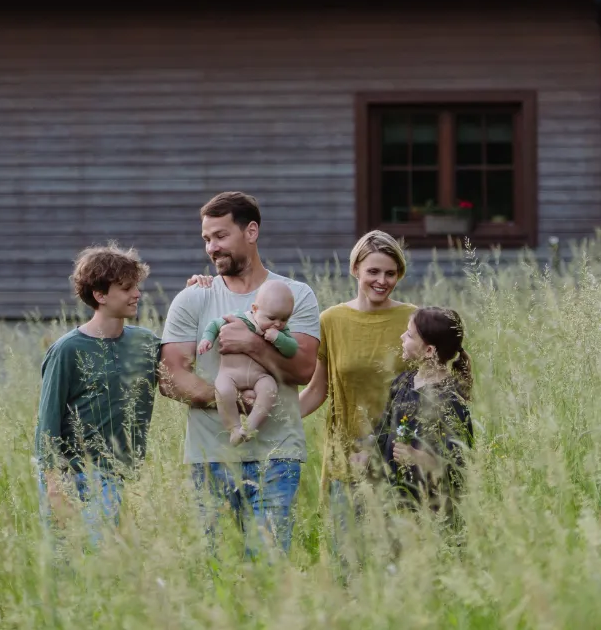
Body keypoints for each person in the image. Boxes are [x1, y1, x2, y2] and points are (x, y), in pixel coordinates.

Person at [160, 192, 321, 555]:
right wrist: (228, 400)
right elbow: (170, 377)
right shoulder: (193, 298)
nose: (211, 248)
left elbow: (304, 368)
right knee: (218, 573)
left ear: (251, 232)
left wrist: (251, 344)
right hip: (210, 455)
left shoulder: (295, 295)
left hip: (278, 456)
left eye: (220, 236)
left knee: (267, 572)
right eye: (206, 239)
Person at [34, 243, 160, 542]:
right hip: (71, 475)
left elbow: (181, 368)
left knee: (104, 565)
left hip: (118, 476)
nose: (137, 294)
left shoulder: (147, 343)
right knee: (67, 564)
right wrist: (54, 487)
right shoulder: (68, 349)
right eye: (127, 288)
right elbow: (47, 421)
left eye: (136, 286)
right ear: (100, 295)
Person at [298, 230, 417, 539]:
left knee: (397, 565)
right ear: (355, 270)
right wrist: (272, 418)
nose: (382, 280)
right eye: (373, 271)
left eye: (391, 273)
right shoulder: (331, 320)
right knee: (347, 564)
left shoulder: (414, 319)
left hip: (401, 460)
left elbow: (429, 389)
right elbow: (316, 391)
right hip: (347, 460)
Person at [357, 306, 474, 522]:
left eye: (409, 335)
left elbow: (456, 463)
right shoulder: (402, 382)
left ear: (429, 351)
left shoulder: (450, 400)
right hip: (395, 499)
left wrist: (416, 456)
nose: (402, 337)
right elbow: (384, 428)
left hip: (430, 508)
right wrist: (366, 451)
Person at [197, 280, 298, 445]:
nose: (278, 324)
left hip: (260, 376)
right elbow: (214, 324)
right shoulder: (239, 318)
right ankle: (234, 429)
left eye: (284, 319)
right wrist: (207, 339)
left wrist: (279, 338)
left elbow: (292, 349)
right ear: (255, 309)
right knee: (223, 390)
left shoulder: (280, 331)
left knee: (270, 389)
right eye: (272, 318)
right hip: (230, 374)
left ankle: (251, 425)